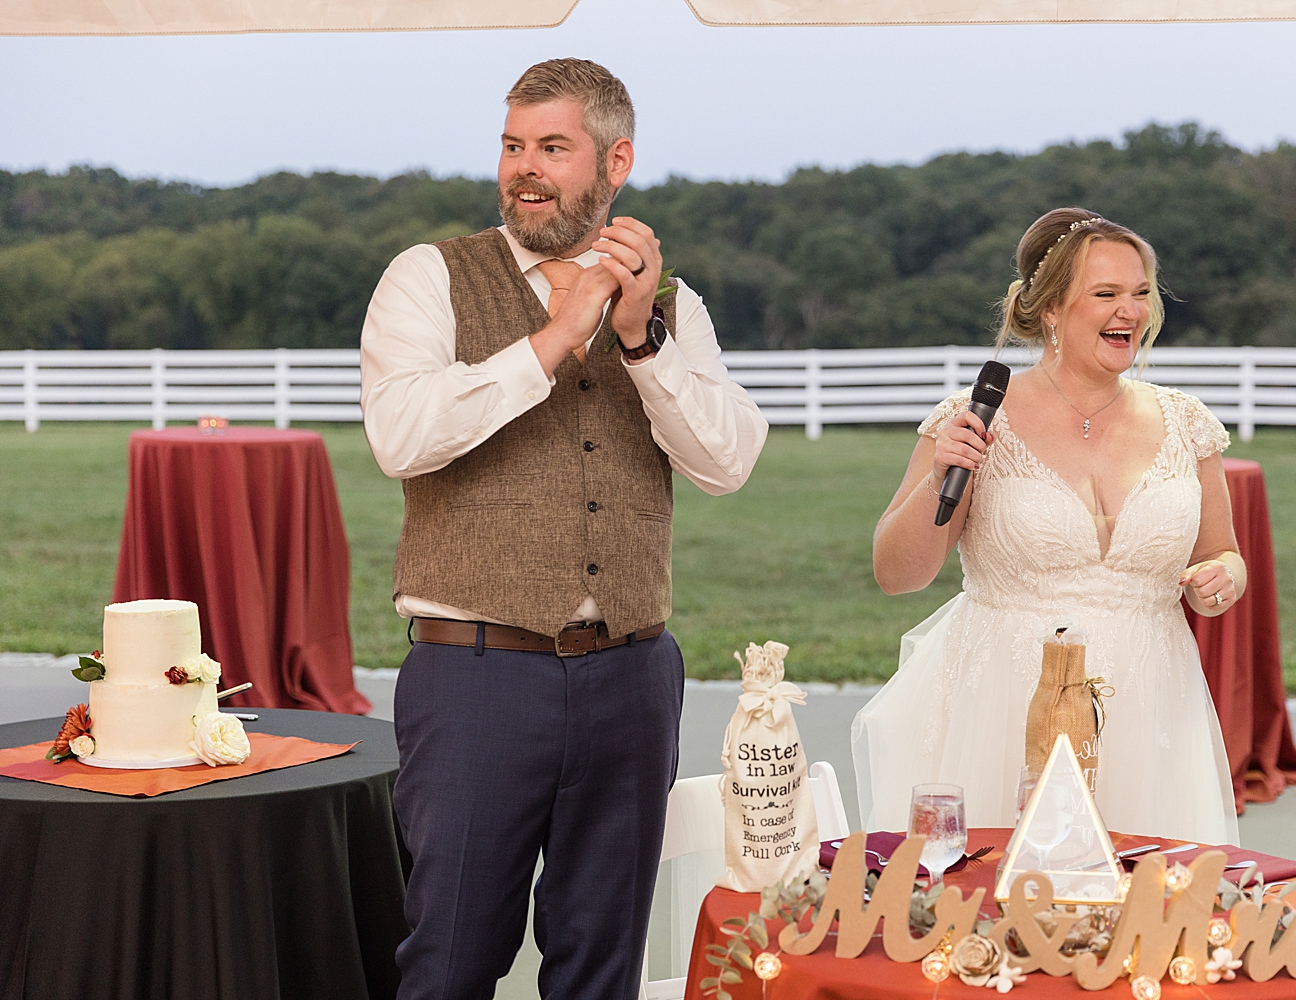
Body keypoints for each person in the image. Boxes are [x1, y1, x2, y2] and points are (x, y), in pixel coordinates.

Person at [359, 58, 767, 1000]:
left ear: (615, 161)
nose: (524, 169)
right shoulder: (429, 278)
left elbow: (727, 463)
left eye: (552, 147)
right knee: (450, 961)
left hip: (631, 678)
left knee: (601, 966)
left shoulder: (672, 311)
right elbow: (402, 436)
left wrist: (636, 341)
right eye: (512, 146)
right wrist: (552, 337)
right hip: (474, 678)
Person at [853, 208, 1242, 846]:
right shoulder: (977, 418)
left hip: (1149, 707)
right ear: (1053, 310)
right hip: (1003, 706)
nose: (1131, 311)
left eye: (1141, 293)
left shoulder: (1185, 422)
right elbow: (897, 574)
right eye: (1107, 294)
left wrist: (1221, 578)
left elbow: (1225, 553)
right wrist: (942, 473)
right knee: (994, 916)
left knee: (1144, 917)